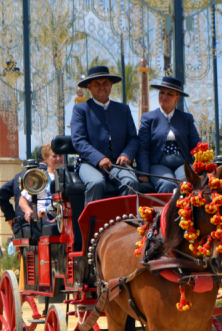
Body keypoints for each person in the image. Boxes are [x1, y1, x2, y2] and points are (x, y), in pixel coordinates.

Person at [71, 65, 139, 203]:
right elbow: (78, 140)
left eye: (105, 83)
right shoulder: (81, 109)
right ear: (89, 87)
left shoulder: (123, 109)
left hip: (117, 163)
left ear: (111, 85)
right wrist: (98, 158)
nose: (102, 87)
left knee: (131, 182)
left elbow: (133, 138)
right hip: (89, 162)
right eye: (97, 84)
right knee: (96, 183)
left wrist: (127, 154)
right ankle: (91, 224)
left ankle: (128, 222)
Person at [137, 76, 201, 193]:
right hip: (158, 164)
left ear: (177, 98)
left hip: (183, 164)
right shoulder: (148, 118)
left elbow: (196, 145)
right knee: (167, 184)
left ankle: (187, 211)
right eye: (162, 92)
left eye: (169, 94)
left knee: (188, 182)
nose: (164, 96)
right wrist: (143, 172)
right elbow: (143, 147)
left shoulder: (186, 118)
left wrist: (203, 165)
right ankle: (167, 212)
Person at [18, 143, 64, 223]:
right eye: (54, 156)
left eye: (60, 155)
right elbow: (23, 199)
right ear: (45, 159)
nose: (58, 159)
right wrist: (28, 210)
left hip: (65, 217)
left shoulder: (69, 176)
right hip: (44, 219)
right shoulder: (39, 178)